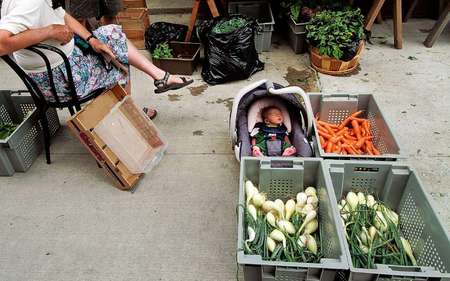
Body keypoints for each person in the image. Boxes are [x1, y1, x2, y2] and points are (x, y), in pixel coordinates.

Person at [0, 0, 192, 119]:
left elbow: (64, 16)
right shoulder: (28, 2)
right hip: (61, 82)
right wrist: (50, 31)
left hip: (58, 71)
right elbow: (1, 44)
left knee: (109, 38)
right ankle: (130, 113)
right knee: (117, 58)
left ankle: (160, 77)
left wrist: (92, 40)